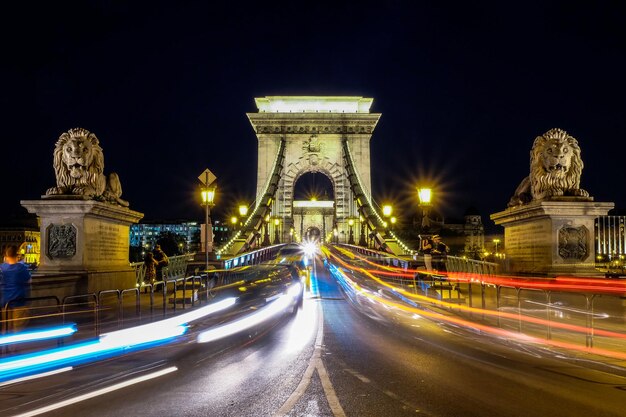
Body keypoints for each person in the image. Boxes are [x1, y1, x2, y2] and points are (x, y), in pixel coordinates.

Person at [0, 245, 32, 332]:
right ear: (17, 255)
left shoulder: (2, 268)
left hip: (5, 301)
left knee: (5, 328)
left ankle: (5, 345)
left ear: (6, 256)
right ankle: (14, 346)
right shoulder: (21, 268)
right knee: (17, 329)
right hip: (18, 301)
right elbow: (29, 280)